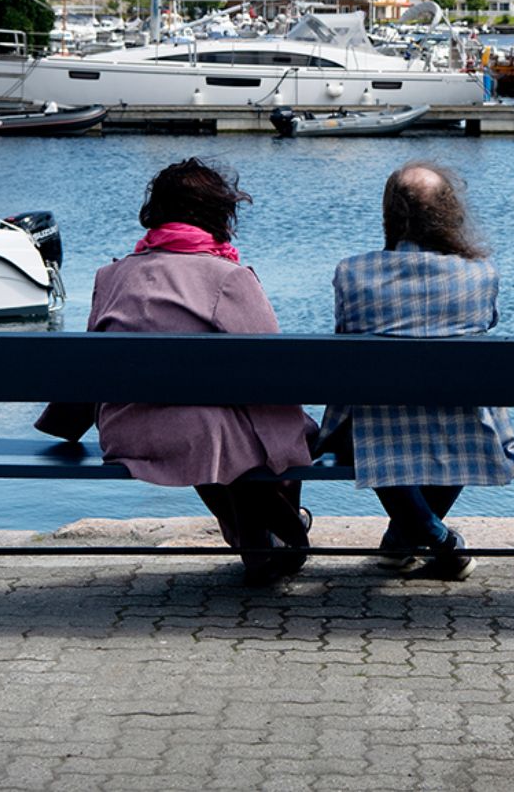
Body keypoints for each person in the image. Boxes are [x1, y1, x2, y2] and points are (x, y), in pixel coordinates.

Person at [36, 158, 317, 586]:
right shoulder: (227, 277)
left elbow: (93, 363)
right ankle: (286, 534)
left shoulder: (110, 276)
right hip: (200, 437)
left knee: (219, 428)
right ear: (219, 213)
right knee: (287, 428)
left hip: (125, 432)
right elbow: (273, 368)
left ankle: (256, 540)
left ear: (157, 210)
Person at [315, 161, 514, 581]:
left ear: (390, 214)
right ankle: (435, 537)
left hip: (372, 429)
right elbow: (487, 324)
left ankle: (405, 538)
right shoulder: (481, 274)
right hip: (463, 427)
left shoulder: (351, 273)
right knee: (461, 420)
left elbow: (345, 338)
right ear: (449, 214)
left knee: (376, 426)